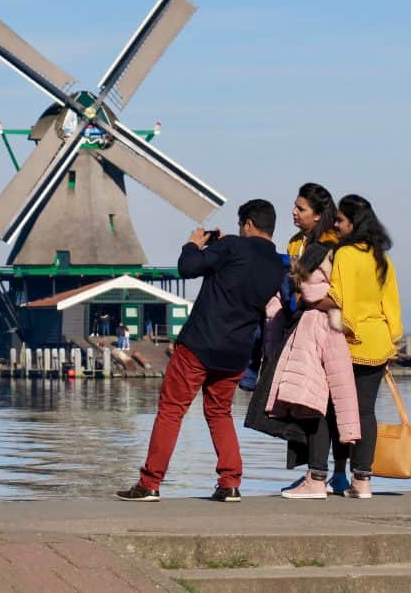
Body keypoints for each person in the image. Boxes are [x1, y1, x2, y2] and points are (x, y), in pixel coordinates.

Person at [117, 200, 286, 502]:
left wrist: (192, 244)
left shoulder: (233, 246)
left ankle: (150, 482)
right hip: (236, 352)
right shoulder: (276, 264)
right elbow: (236, 275)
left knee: (171, 410)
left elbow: (188, 268)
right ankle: (230, 482)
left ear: (247, 224)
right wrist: (221, 249)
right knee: (220, 412)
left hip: (200, 344)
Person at [317, 195, 403, 499]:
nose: (336, 226)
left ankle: (330, 475)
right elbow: (391, 304)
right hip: (378, 341)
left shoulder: (346, 255)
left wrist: (311, 298)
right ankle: (363, 480)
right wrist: (393, 338)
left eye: (340, 220)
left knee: (335, 409)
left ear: (353, 224)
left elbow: (340, 298)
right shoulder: (382, 258)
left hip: (349, 340)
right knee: (365, 411)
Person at [269, 242, 360, 499]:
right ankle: (337, 476)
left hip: (313, 359)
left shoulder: (315, 311)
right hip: (326, 354)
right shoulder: (328, 304)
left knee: (316, 412)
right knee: (331, 409)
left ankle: (316, 477)